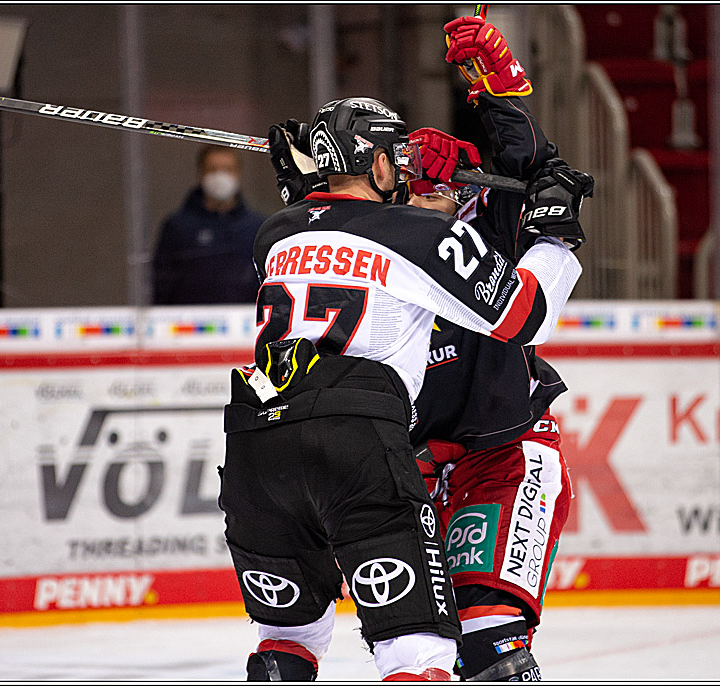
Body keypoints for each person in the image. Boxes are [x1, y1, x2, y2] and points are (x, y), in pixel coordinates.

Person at [221, 96, 581, 681]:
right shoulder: (414, 232)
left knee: (287, 642)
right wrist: (555, 238)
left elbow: (323, 234)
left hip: (255, 446)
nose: (406, 169)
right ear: (382, 166)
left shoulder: (273, 234)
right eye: (397, 157)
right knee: (417, 653)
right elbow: (527, 315)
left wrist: (305, 189)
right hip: (357, 445)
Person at [407, 16, 593, 681]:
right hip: (412, 474)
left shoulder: (479, 223)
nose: (425, 194)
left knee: (491, 647)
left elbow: (538, 174)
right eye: (408, 186)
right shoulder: (370, 243)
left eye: (438, 188)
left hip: (506, 457)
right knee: (419, 654)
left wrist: (496, 95)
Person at [151, 145, 265, 304]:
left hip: (246, 322)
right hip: (190, 323)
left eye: (227, 169)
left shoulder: (257, 227)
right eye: (213, 169)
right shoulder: (178, 227)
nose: (220, 176)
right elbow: (162, 286)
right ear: (201, 174)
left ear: (238, 174)